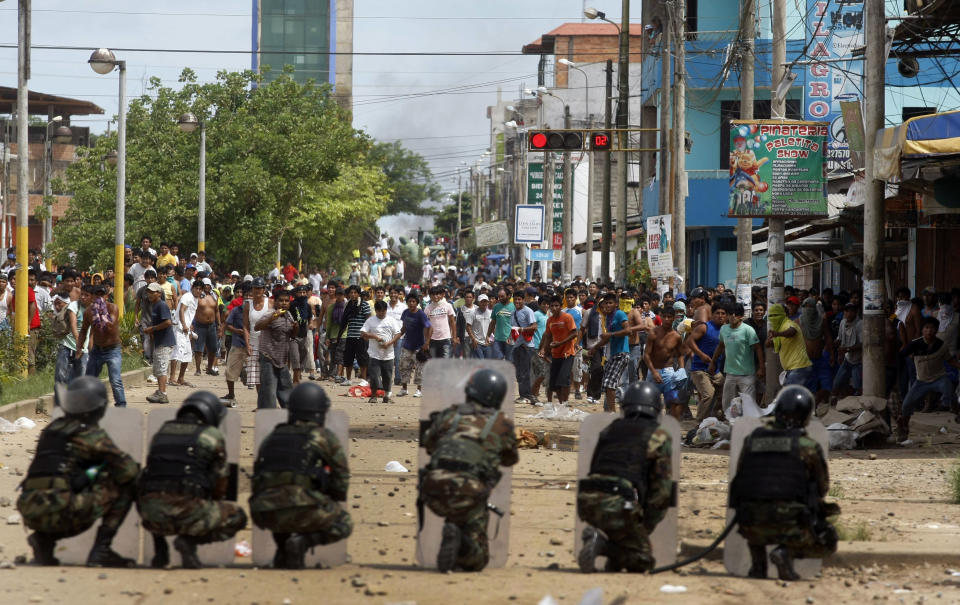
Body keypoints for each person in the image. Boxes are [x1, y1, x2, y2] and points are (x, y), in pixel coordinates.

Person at [18, 376, 140, 567]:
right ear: (99, 408)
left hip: (30, 510)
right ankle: (102, 549)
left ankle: (44, 540)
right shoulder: (91, 435)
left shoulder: (50, 430)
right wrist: (99, 470)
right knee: (125, 482)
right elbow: (130, 471)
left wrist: (89, 473)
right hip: (62, 511)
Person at [729, 385, 838, 580]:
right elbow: (823, 487)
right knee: (827, 539)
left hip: (750, 523)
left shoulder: (753, 439)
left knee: (755, 503)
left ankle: (758, 566)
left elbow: (742, 478)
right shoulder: (807, 446)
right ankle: (785, 553)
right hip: (789, 522)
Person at [419, 368, 518, 572]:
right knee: (477, 561)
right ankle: (461, 541)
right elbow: (509, 460)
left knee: (458, 504)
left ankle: (452, 528)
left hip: (432, 490)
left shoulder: (449, 414)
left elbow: (429, 445)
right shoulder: (502, 423)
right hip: (470, 492)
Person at [137, 391, 247, 569]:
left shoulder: (163, 431)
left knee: (154, 490)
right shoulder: (211, 435)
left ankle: (160, 550)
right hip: (189, 511)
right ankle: (188, 542)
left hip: (150, 515)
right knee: (236, 516)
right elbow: (221, 482)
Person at [249, 382, 352, 569]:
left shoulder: (273, 436)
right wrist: (329, 495)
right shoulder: (323, 437)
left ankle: (283, 549)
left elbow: (258, 475)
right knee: (343, 523)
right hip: (305, 508)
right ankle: (302, 543)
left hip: (263, 512)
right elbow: (341, 478)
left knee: (281, 506)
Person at [577, 382, 674, 573]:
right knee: (643, 561)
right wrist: (646, 526)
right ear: (656, 410)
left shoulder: (611, 428)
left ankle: (614, 551)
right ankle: (604, 547)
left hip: (587, 500)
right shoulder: (659, 436)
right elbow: (662, 492)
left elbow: (595, 466)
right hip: (619, 503)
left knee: (625, 536)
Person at [897, 316, 960, 441]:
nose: (929, 331)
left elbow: (950, 360)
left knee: (950, 392)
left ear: (936, 330)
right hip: (921, 381)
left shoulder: (942, 345)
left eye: (932, 328)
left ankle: (956, 412)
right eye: (926, 328)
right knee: (906, 405)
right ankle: (903, 430)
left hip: (939, 378)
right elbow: (900, 356)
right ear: (922, 330)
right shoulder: (915, 344)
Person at [77, 284, 127, 408]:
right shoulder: (89, 312)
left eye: (102, 295)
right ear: (93, 296)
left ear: (106, 296)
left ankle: (121, 406)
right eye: (97, 295)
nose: (99, 297)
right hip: (97, 350)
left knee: (115, 380)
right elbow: (84, 330)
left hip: (112, 350)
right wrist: (79, 347)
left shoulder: (113, 308)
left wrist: (101, 313)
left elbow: (110, 326)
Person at [710, 302, 764, 416]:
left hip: (747, 374)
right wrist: (712, 362)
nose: (733, 316)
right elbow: (720, 346)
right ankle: (732, 427)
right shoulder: (724, 329)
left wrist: (761, 367)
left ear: (741, 316)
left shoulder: (748, 330)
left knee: (748, 405)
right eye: (730, 313)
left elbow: (758, 348)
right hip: (730, 374)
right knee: (728, 404)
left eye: (736, 314)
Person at [643, 306, 689, 419]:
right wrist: (654, 372)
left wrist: (682, 370)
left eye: (670, 317)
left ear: (674, 318)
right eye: (665, 317)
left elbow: (680, 355)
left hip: (669, 373)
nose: (667, 319)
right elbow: (646, 355)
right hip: (654, 371)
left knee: (673, 403)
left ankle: (672, 430)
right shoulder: (653, 333)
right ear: (661, 317)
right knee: (651, 404)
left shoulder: (676, 336)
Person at [591, 294, 632, 413]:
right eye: (606, 303)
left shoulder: (619, 314)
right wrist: (595, 348)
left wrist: (610, 334)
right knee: (607, 383)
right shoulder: (608, 317)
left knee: (610, 383)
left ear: (616, 304)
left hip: (622, 353)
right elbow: (606, 339)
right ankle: (609, 410)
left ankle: (612, 412)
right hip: (614, 354)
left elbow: (628, 330)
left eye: (610, 303)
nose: (607, 305)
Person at [257, 288, 298, 409]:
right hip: (268, 355)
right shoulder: (270, 313)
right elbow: (257, 326)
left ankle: (291, 414)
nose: (284, 303)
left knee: (286, 387)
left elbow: (292, 335)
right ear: (275, 302)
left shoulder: (289, 315)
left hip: (281, 358)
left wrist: (295, 327)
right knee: (269, 389)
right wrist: (273, 317)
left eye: (286, 301)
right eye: (281, 301)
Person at [688, 303, 727, 422]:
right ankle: (699, 422)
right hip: (699, 369)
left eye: (723, 314)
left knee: (725, 391)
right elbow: (690, 341)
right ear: (712, 315)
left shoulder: (726, 329)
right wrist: (701, 354)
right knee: (708, 394)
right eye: (717, 313)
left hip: (715, 370)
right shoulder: (704, 327)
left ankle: (714, 419)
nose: (720, 316)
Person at [361, 300, 402, 403]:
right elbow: (362, 333)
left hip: (388, 354)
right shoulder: (371, 321)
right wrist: (374, 336)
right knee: (374, 375)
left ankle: (386, 396)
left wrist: (390, 343)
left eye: (383, 311)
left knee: (387, 376)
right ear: (376, 311)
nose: (381, 313)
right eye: (379, 311)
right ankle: (373, 396)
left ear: (386, 310)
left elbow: (398, 333)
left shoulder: (391, 321)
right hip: (374, 354)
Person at [539, 295, 578, 405]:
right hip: (555, 354)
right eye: (552, 306)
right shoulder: (550, 320)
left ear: (561, 306)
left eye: (556, 305)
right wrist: (544, 350)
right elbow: (548, 336)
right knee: (554, 383)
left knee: (563, 380)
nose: (554, 308)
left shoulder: (567, 317)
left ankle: (564, 404)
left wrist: (560, 343)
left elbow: (575, 333)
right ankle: (560, 403)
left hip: (567, 353)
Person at [767, 303, 812, 387]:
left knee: (788, 395)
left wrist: (778, 334)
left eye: (776, 315)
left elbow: (791, 331)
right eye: (771, 315)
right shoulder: (778, 327)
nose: (773, 318)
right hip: (793, 368)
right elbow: (770, 344)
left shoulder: (788, 324)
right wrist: (770, 340)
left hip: (798, 367)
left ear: (784, 314)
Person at [144, 283, 175, 404]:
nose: (150, 294)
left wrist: (152, 329)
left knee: (161, 368)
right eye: (148, 292)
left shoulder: (162, 305)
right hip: (159, 341)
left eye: (153, 292)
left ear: (159, 293)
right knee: (158, 368)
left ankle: (163, 394)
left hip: (165, 341)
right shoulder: (155, 305)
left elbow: (168, 322)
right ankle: (159, 391)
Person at [830, 303, 863, 400]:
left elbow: (863, 344)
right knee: (837, 383)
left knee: (858, 387)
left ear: (855, 312)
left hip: (858, 361)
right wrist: (835, 343)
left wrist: (847, 349)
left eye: (851, 311)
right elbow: (840, 338)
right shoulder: (843, 322)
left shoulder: (860, 324)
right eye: (846, 311)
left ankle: (860, 407)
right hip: (847, 359)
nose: (848, 313)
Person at [510, 292, 538, 404]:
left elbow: (534, 326)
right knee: (519, 372)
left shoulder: (528, 311)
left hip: (527, 346)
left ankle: (526, 395)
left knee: (525, 372)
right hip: (516, 345)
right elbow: (513, 328)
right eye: (515, 299)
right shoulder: (513, 313)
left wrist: (523, 329)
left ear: (523, 300)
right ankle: (524, 395)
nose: (517, 301)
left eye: (519, 299)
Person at [425, 286, 457, 359]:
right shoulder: (428, 308)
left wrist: (454, 337)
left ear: (442, 295)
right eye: (433, 294)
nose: (435, 296)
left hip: (446, 339)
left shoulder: (448, 305)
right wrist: (426, 341)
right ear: (430, 296)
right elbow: (426, 325)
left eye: (437, 294)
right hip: (432, 339)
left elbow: (452, 322)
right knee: (433, 362)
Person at [488, 289, 515, 362]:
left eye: (502, 296)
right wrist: (488, 335)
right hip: (498, 339)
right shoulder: (496, 307)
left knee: (510, 362)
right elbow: (493, 322)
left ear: (509, 296)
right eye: (499, 296)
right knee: (497, 361)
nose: (499, 298)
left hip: (510, 340)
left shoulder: (514, 307)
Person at [467, 294, 493, 359]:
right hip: (477, 343)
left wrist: (492, 338)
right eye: (482, 301)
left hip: (487, 343)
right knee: (480, 362)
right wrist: (473, 339)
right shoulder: (473, 312)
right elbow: (468, 326)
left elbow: (492, 326)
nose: (484, 303)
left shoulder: (490, 313)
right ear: (478, 302)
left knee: (487, 363)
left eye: (485, 301)